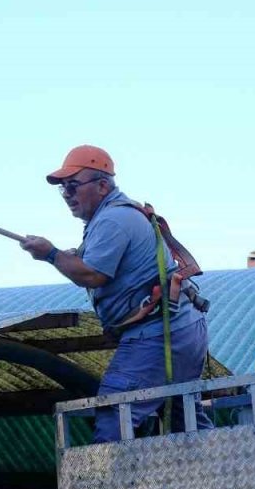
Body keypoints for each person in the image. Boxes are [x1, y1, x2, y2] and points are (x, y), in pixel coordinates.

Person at [19, 145, 213, 443]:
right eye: (63, 189)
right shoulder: (116, 216)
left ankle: (109, 488)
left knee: (115, 410)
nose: (67, 195)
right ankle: (219, 473)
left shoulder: (112, 220)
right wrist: (69, 256)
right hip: (179, 327)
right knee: (182, 417)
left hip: (158, 333)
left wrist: (51, 254)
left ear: (102, 185)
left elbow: (92, 275)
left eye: (73, 185)